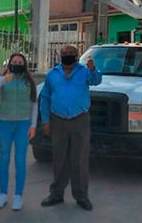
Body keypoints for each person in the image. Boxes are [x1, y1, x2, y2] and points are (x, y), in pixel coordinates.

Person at [39, 45, 102, 211]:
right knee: (59, 159)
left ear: (76, 56)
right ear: (60, 56)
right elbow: (45, 97)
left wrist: (93, 69)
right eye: (64, 54)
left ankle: (81, 196)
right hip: (58, 121)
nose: (67, 56)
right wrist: (45, 121)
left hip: (80, 120)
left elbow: (96, 81)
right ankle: (56, 194)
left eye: (71, 54)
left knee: (80, 159)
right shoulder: (53, 74)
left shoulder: (84, 71)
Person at [0, 53, 38, 211]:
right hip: (5, 123)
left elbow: (34, 104)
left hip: (23, 124)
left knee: (20, 160)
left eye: (20, 62)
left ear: (24, 64)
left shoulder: (28, 81)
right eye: (14, 61)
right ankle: (2, 194)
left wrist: (33, 125)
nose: (17, 63)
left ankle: (18, 196)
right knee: (4, 159)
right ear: (9, 63)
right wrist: (3, 79)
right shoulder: (3, 79)